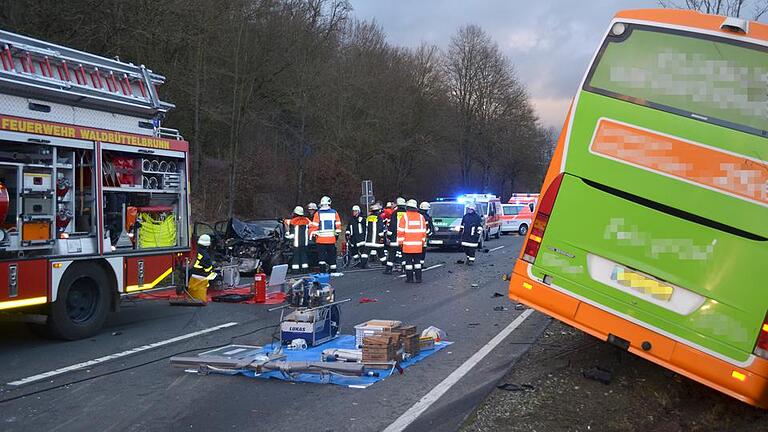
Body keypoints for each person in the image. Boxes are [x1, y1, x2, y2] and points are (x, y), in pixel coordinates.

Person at [397, 199, 427, 283]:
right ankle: (418, 278)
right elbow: (424, 232)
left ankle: (409, 279)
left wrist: (400, 243)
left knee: (408, 263)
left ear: (407, 207)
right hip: (418, 245)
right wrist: (422, 242)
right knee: (417, 262)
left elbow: (400, 231)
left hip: (407, 245)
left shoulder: (405, 217)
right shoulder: (421, 217)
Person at [309, 196, 342, 273]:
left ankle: (323, 271)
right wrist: (336, 235)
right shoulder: (334, 213)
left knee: (321, 257)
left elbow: (314, 226)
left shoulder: (318, 214)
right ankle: (333, 270)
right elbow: (338, 225)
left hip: (320, 240)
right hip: (331, 239)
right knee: (332, 255)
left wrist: (312, 234)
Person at [188, 234, 215, 303]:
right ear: (208, 244)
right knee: (214, 274)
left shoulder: (194, 250)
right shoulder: (206, 256)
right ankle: (210, 288)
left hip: (190, 272)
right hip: (200, 274)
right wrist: (213, 268)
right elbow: (208, 269)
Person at [384, 197, 406, 274]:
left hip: (394, 238)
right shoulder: (407, 213)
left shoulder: (394, 213)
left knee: (392, 254)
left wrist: (389, 236)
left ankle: (388, 269)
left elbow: (391, 226)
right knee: (404, 255)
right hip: (404, 238)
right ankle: (404, 269)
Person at [285, 206, 311, 273]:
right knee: (304, 255)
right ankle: (305, 269)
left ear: (295, 213)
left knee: (296, 256)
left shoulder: (293, 221)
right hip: (305, 243)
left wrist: (287, 235)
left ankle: (295, 270)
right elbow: (312, 225)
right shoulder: (307, 220)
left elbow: (287, 223)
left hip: (296, 243)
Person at [363, 202, 385, 268]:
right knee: (381, 254)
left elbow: (366, 227)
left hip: (369, 240)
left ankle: (363, 264)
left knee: (365, 253)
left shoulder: (368, 218)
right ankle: (384, 264)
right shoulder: (379, 218)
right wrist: (382, 237)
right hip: (377, 240)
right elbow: (381, 228)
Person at [418, 201, 434, 266]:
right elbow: (429, 228)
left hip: (415, 236)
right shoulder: (427, 217)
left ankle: (417, 263)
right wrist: (429, 234)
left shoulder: (417, 215)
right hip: (424, 237)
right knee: (423, 250)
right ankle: (421, 264)